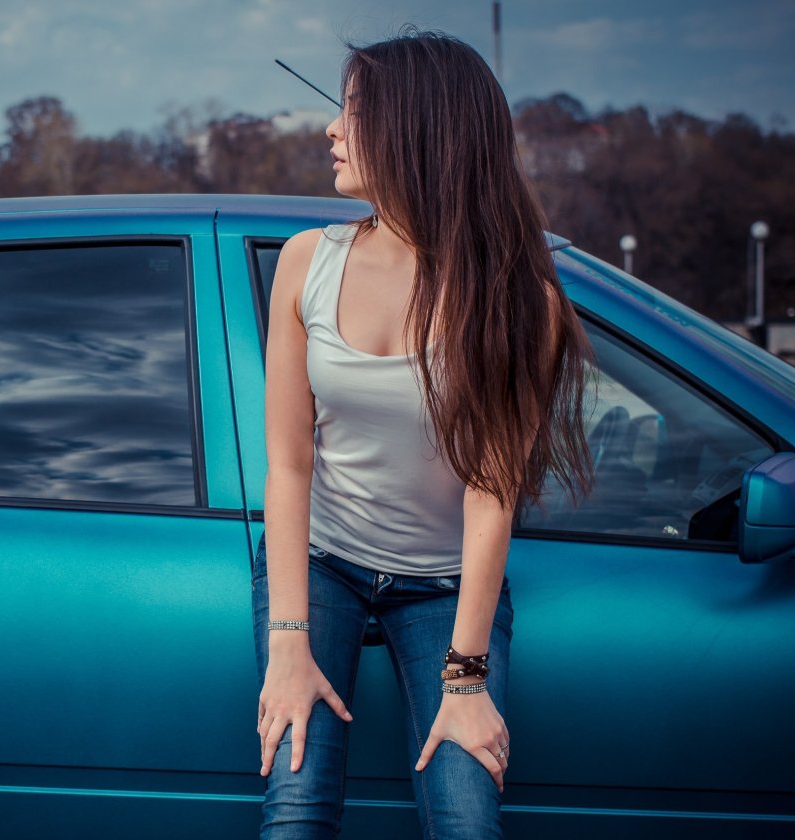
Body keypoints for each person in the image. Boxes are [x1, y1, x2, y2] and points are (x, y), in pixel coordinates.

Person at [252, 27, 594, 839]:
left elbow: (491, 498)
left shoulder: (519, 302)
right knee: (294, 810)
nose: (329, 130)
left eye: (354, 113)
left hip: (442, 586)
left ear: (420, 130)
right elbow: (289, 465)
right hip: (321, 566)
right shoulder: (306, 262)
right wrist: (288, 644)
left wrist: (467, 679)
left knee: (467, 818)